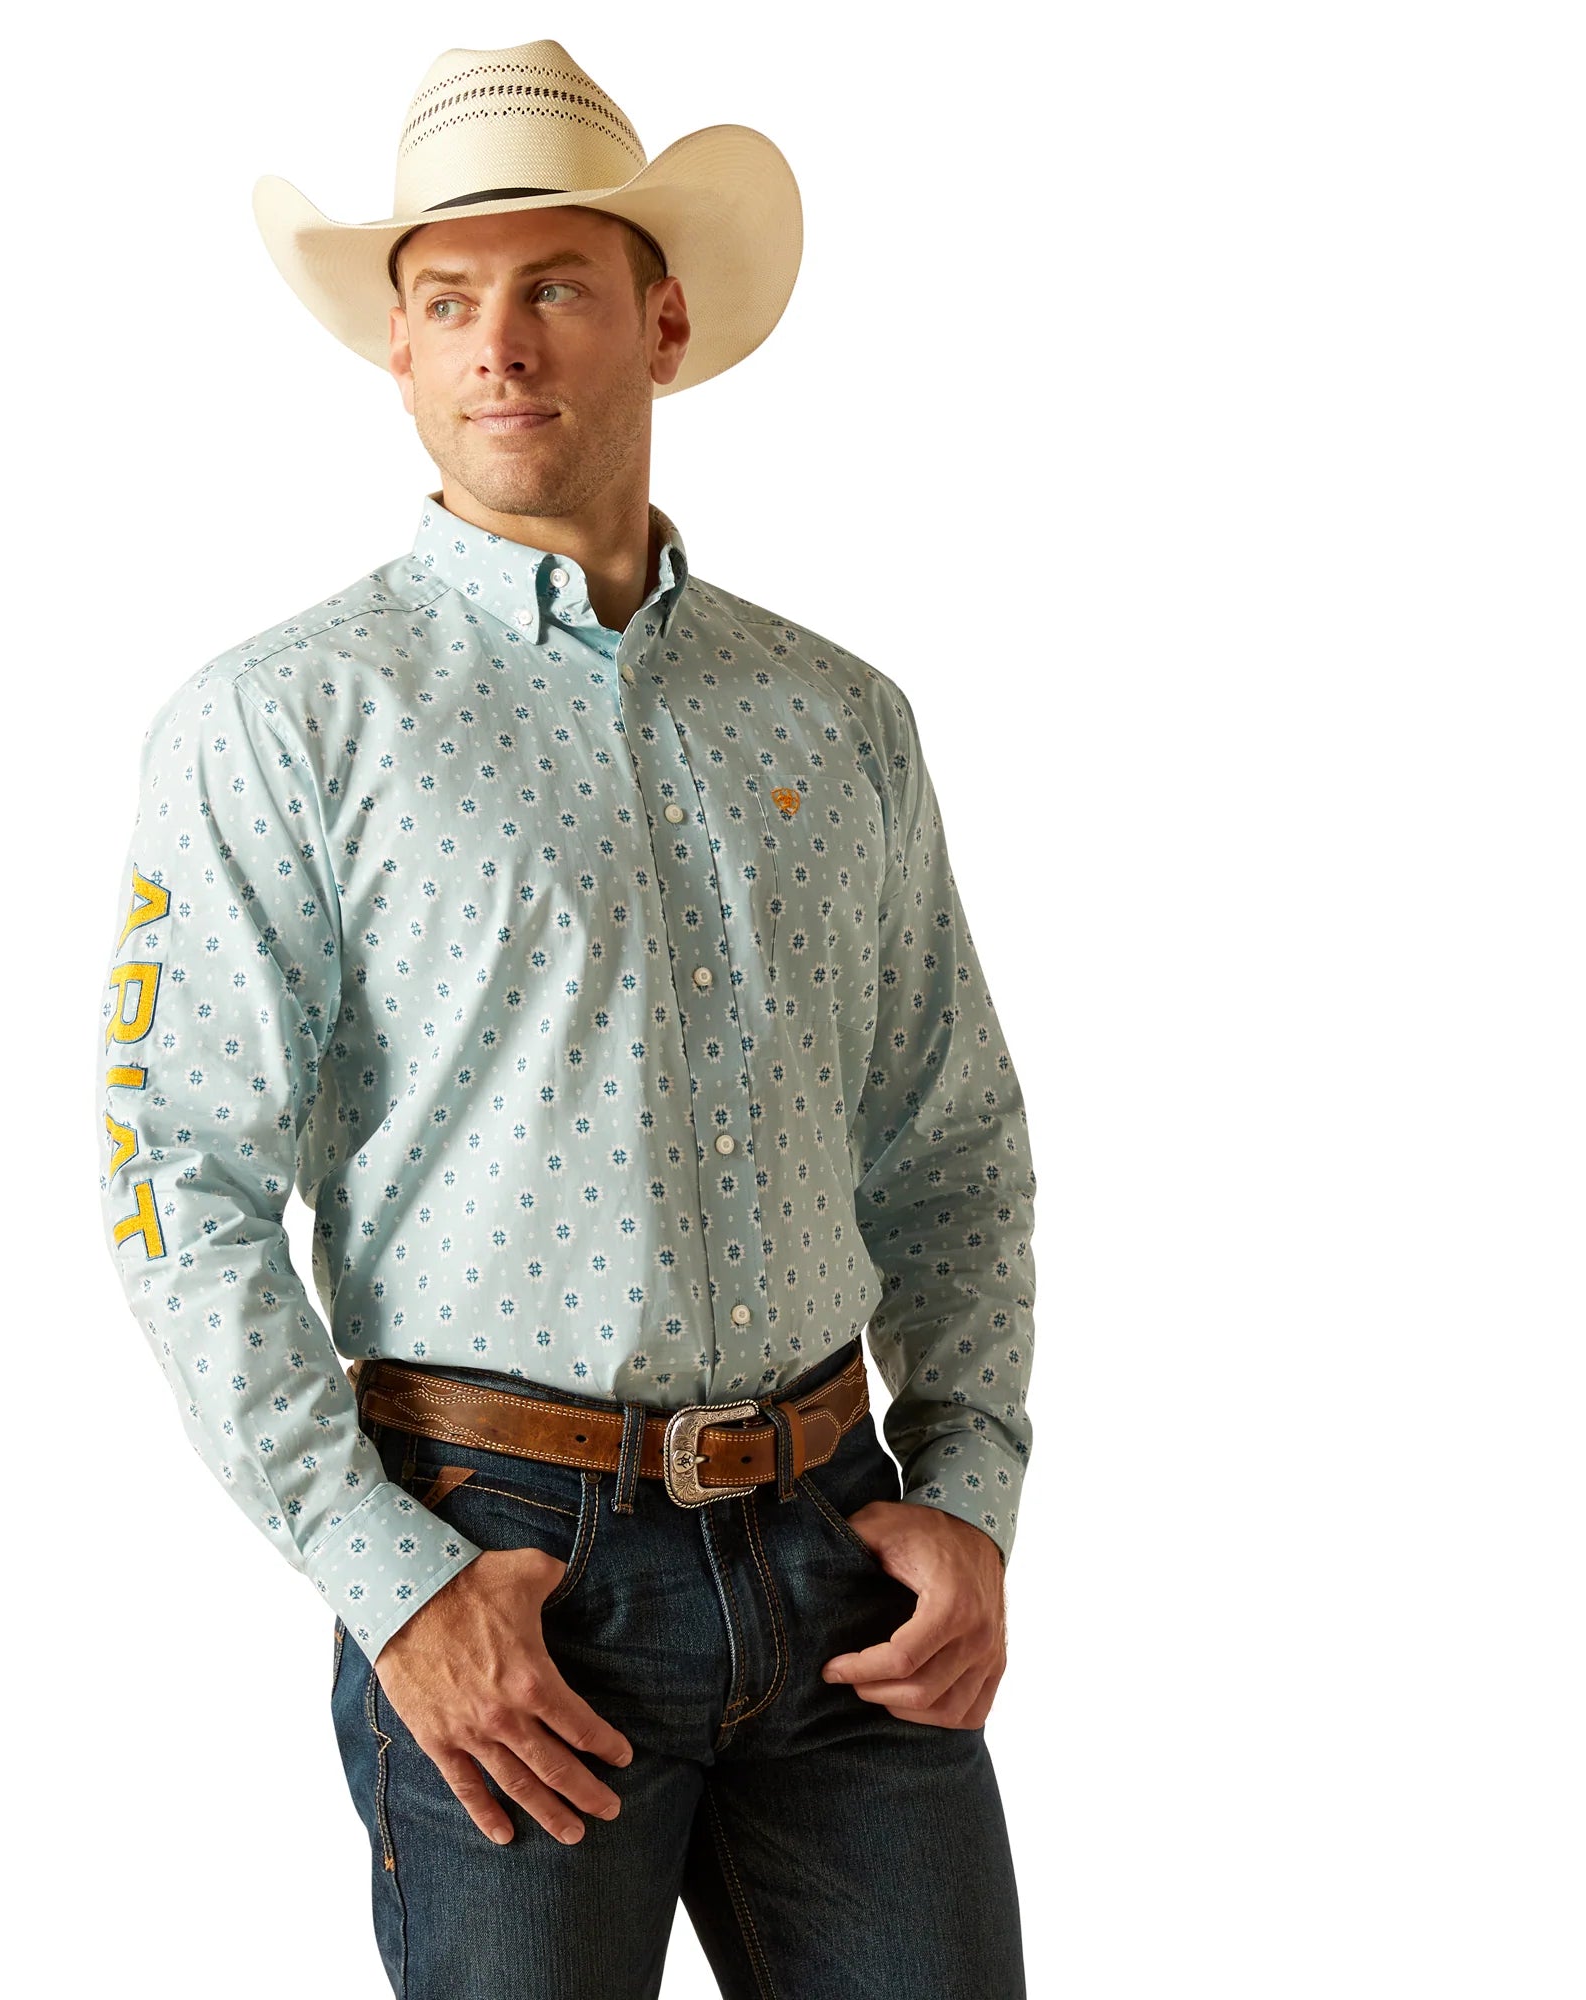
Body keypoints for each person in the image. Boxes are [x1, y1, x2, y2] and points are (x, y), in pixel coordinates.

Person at [98, 37, 1037, 2000]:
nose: (499, 345)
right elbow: (177, 1182)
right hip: (509, 1573)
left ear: (663, 323)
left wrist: (964, 1486)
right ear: (398, 349)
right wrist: (394, 1588)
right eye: (447, 300)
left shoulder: (837, 716)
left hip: (842, 1558)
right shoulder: (286, 722)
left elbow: (947, 1138)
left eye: (553, 288)